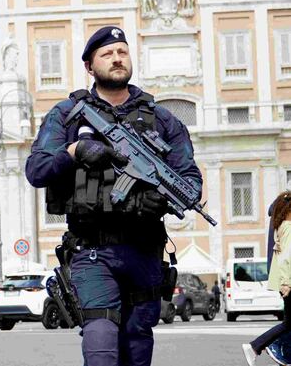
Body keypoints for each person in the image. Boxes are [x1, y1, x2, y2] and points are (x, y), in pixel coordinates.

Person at [25, 25, 203, 366]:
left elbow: (190, 181)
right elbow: (37, 169)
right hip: (92, 249)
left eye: (122, 52)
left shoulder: (161, 119)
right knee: (101, 341)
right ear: (90, 66)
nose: (117, 58)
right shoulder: (67, 115)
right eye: (107, 54)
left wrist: (161, 201)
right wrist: (74, 151)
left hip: (144, 250)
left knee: (137, 345)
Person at [242, 192, 291, 366]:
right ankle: (257, 346)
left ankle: (277, 353)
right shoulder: (288, 227)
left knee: (289, 323)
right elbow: (287, 258)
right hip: (289, 283)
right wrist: (286, 283)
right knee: (288, 323)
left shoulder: (280, 227)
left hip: (286, 281)